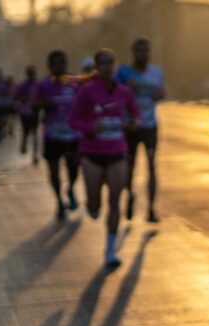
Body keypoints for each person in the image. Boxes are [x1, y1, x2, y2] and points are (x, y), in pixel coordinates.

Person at [70, 49, 140, 267]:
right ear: (97, 68)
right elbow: (73, 120)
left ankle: (110, 251)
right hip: (92, 153)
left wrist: (132, 123)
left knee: (115, 201)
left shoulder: (124, 92)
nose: (108, 66)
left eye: (111, 62)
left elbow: (135, 115)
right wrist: (91, 127)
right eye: (103, 63)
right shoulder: (87, 91)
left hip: (117, 152)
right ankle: (91, 205)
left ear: (116, 65)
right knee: (94, 205)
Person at [117, 38, 166, 223]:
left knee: (152, 167)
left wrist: (158, 94)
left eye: (146, 51)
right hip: (130, 127)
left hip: (150, 126)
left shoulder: (156, 72)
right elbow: (115, 95)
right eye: (139, 51)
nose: (143, 54)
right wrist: (127, 89)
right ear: (133, 53)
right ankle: (130, 196)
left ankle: (151, 209)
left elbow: (162, 93)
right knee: (129, 167)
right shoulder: (123, 73)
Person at [34, 50, 81, 220]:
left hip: (73, 136)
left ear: (66, 63)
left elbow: (86, 104)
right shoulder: (44, 85)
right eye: (55, 63)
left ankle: (70, 189)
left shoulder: (75, 82)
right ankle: (59, 201)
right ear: (49, 65)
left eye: (61, 62)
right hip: (52, 135)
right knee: (54, 171)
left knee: (73, 169)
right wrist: (43, 104)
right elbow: (34, 105)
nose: (58, 66)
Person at [14, 65, 40, 163]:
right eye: (30, 74)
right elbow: (16, 96)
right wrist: (24, 99)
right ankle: (24, 143)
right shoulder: (22, 85)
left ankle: (35, 155)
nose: (31, 76)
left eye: (32, 74)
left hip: (35, 112)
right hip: (24, 112)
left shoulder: (38, 85)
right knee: (26, 131)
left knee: (35, 134)